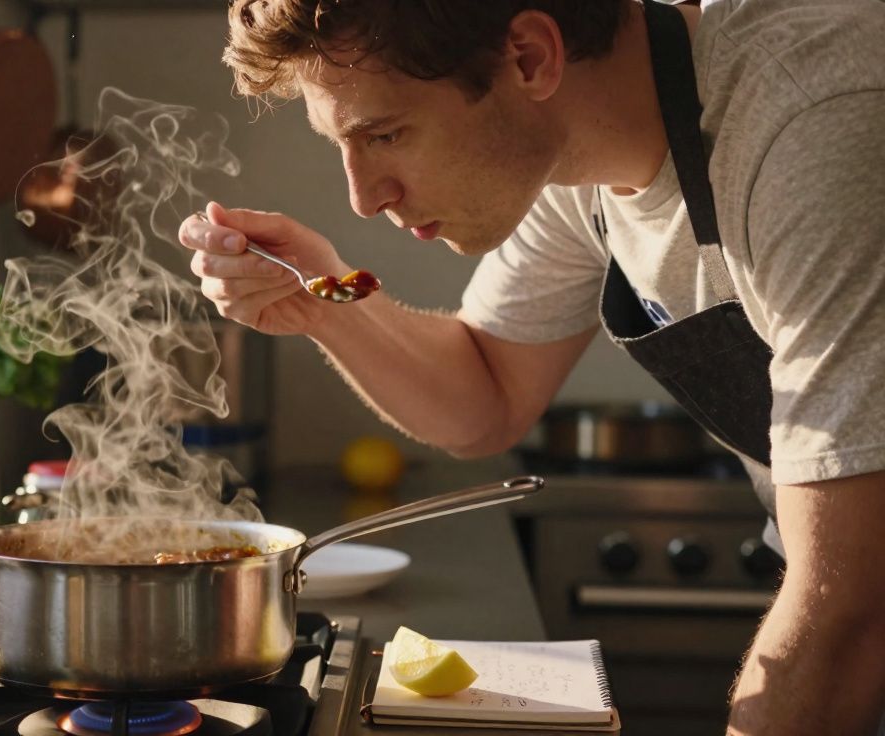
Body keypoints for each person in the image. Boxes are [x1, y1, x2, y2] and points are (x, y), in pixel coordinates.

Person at [177, 0, 885, 732]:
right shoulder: (577, 159)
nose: (364, 197)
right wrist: (324, 302)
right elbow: (484, 394)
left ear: (530, 58)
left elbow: (851, 606)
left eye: (385, 133)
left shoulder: (814, 124)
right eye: (344, 146)